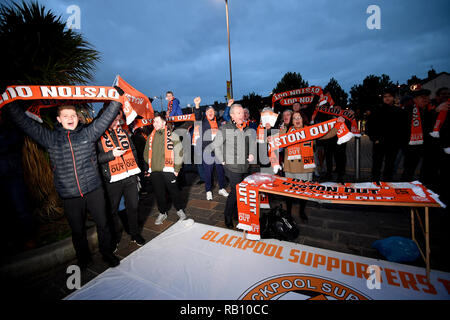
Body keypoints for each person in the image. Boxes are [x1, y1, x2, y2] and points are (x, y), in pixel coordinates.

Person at [4, 93, 124, 268]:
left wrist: (116, 99)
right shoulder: (50, 138)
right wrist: (9, 103)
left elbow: (105, 118)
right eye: (66, 116)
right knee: (77, 231)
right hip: (69, 195)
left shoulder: (88, 133)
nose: (70, 118)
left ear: (78, 117)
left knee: (103, 224)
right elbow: (25, 123)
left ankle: (107, 253)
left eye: (73, 115)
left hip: (94, 190)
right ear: (59, 119)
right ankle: (84, 258)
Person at [277, 111, 340, 221]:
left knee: (304, 192)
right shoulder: (286, 130)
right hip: (290, 168)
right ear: (292, 121)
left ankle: (302, 211)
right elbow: (276, 141)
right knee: (288, 193)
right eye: (295, 118)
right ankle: (288, 213)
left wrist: (338, 124)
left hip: (305, 167)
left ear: (303, 119)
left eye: (299, 117)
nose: (297, 120)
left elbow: (326, 133)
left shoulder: (311, 130)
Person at [97, 109, 146, 249]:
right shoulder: (97, 136)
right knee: (112, 210)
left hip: (129, 175)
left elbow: (133, 150)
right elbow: (96, 158)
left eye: (117, 119)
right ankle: (114, 238)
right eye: (113, 119)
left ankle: (135, 234)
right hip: (113, 179)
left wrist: (136, 169)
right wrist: (112, 154)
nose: (117, 121)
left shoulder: (123, 132)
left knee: (133, 206)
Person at [213, 103, 256, 228]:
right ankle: (227, 215)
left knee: (243, 192)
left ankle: (238, 214)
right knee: (236, 191)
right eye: (238, 113)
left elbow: (252, 144)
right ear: (232, 115)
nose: (241, 115)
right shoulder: (225, 129)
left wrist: (252, 154)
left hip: (245, 166)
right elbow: (216, 145)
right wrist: (222, 160)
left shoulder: (248, 129)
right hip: (232, 166)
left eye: (242, 112)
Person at [143, 113, 186, 225]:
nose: (154, 124)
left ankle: (180, 210)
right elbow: (146, 153)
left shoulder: (173, 135)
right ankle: (162, 212)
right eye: (153, 122)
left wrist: (177, 169)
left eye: (157, 121)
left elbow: (179, 152)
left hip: (169, 170)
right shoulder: (150, 137)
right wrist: (150, 166)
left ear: (164, 123)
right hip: (155, 171)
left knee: (174, 192)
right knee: (159, 193)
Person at [366, 88, 409, 181]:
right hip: (379, 143)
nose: (387, 98)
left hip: (393, 144)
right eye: (385, 97)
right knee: (377, 164)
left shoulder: (400, 112)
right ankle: (375, 182)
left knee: (390, 165)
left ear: (393, 98)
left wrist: (400, 142)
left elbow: (404, 128)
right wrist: (374, 139)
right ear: (382, 98)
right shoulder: (376, 110)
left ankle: (387, 183)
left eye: (389, 96)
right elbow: (369, 126)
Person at [401, 86, 440, 189]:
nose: (425, 99)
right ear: (415, 99)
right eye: (422, 97)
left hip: (428, 147)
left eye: (427, 97)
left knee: (428, 171)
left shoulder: (431, 110)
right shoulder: (408, 111)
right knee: (409, 171)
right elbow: (402, 130)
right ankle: (406, 190)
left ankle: (426, 189)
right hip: (411, 147)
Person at [193, 96, 229, 200]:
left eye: (212, 111)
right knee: (208, 172)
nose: (210, 112)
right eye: (208, 111)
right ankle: (208, 190)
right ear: (205, 113)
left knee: (221, 171)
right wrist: (197, 105)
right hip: (207, 151)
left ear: (215, 113)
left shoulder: (218, 123)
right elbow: (197, 115)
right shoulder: (203, 122)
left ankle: (222, 188)